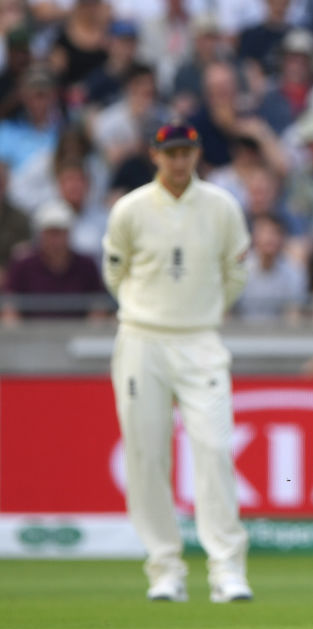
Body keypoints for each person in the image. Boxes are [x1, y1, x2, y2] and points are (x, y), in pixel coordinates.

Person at [102, 121, 253, 604]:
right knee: (146, 456)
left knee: (213, 448)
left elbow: (236, 274)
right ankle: (164, 568)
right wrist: (147, 315)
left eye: (187, 151)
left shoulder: (222, 206)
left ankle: (227, 570)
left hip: (200, 340)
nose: (179, 161)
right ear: (155, 155)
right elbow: (115, 275)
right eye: (170, 152)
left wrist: (202, 312)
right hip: (142, 339)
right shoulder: (130, 209)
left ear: (197, 154)